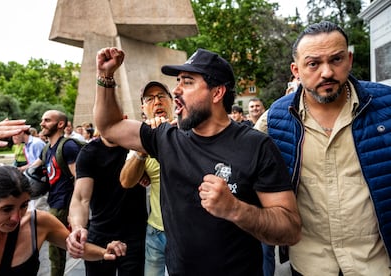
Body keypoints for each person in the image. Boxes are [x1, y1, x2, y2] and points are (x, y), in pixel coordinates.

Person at [91, 47, 301, 275]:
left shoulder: (257, 146)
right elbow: (109, 126)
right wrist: (106, 77)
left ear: (217, 93)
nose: (176, 90)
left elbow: (290, 229)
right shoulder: (165, 138)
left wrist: (235, 209)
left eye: (187, 82)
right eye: (178, 81)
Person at [254, 21, 391, 275]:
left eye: (336, 59)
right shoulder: (275, 119)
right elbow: (240, 159)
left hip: (375, 264)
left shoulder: (386, 107)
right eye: (313, 63)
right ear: (296, 70)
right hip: (309, 265)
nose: (327, 72)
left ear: (349, 60)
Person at [0, 166, 127, 275]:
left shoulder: (38, 222)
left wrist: (105, 252)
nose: (17, 217)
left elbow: (78, 248)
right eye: (7, 209)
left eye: (23, 206)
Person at [67, 130, 147, 276]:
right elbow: (80, 198)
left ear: (123, 120)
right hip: (100, 233)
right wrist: (78, 227)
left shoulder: (136, 144)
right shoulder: (89, 152)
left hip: (134, 235)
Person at [119, 81, 174, 276]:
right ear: (143, 107)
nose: (156, 102)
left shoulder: (187, 131)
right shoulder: (141, 138)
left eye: (161, 96)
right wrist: (142, 150)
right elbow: (126, 181)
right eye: (149, 99)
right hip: (155, 231)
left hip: (185, 231)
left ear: (171, 101)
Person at [30, 110, 82, 276]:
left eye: (47, 120)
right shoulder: (47, 148)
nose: (42, 123)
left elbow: (79, 178)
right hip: (53, 200)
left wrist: (75, 209)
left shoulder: (68, 146)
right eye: (42, 120)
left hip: (64, 203)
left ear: (60, 124)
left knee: (55, 248)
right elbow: (32, 168)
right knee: (58, 248)